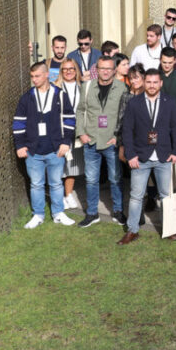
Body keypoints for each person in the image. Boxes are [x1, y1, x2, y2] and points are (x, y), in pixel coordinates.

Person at [118, 68, 176, 244]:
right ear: (144, 82)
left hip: (164, 155)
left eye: (155, 82)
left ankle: (169, 229)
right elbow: (127, 130)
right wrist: (130, 155)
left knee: (165, 196)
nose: (152, 85)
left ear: (161, 83)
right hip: (140, 156)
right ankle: (133, 230)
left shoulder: (169, 102)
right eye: (149, 82)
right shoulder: (134, 103)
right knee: (136, 196)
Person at [12, 61, 77, 228]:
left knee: (56, 183)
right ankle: (38, 215)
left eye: (37, 76)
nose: (34, 79)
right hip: (34, 151)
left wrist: (65, 142)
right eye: (32, 76)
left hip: (55, 149)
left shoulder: (60, 95)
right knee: (36, 184)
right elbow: (19, 123)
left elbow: (69, 119)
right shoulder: (27, 98)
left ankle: (58, 213)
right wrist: (20, 145)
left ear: (47, 74)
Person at [75, 55, 127, 227]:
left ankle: (118, 211)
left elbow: (125, 116)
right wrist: (81, 133)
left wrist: (118, 138)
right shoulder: (87, 86)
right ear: (96, 69)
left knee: (115, 178)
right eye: (102, 68)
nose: (105, 71)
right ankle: (92, 213)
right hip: (91, 139)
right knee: (91, 179)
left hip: (111, 141)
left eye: (109, 68)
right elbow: (80, 111)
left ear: (114, 70)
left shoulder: (122, 88)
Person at [55, 58, 86, 211]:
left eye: (71, 69)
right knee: (58, 164)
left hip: (76, 132)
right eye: (65, 69)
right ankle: (59, 195)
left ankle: (68, 195)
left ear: (76, 71)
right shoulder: (55, 88)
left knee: (72, 166)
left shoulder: (83, 88)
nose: (68, 72)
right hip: (60, 132)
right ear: (61, 72)